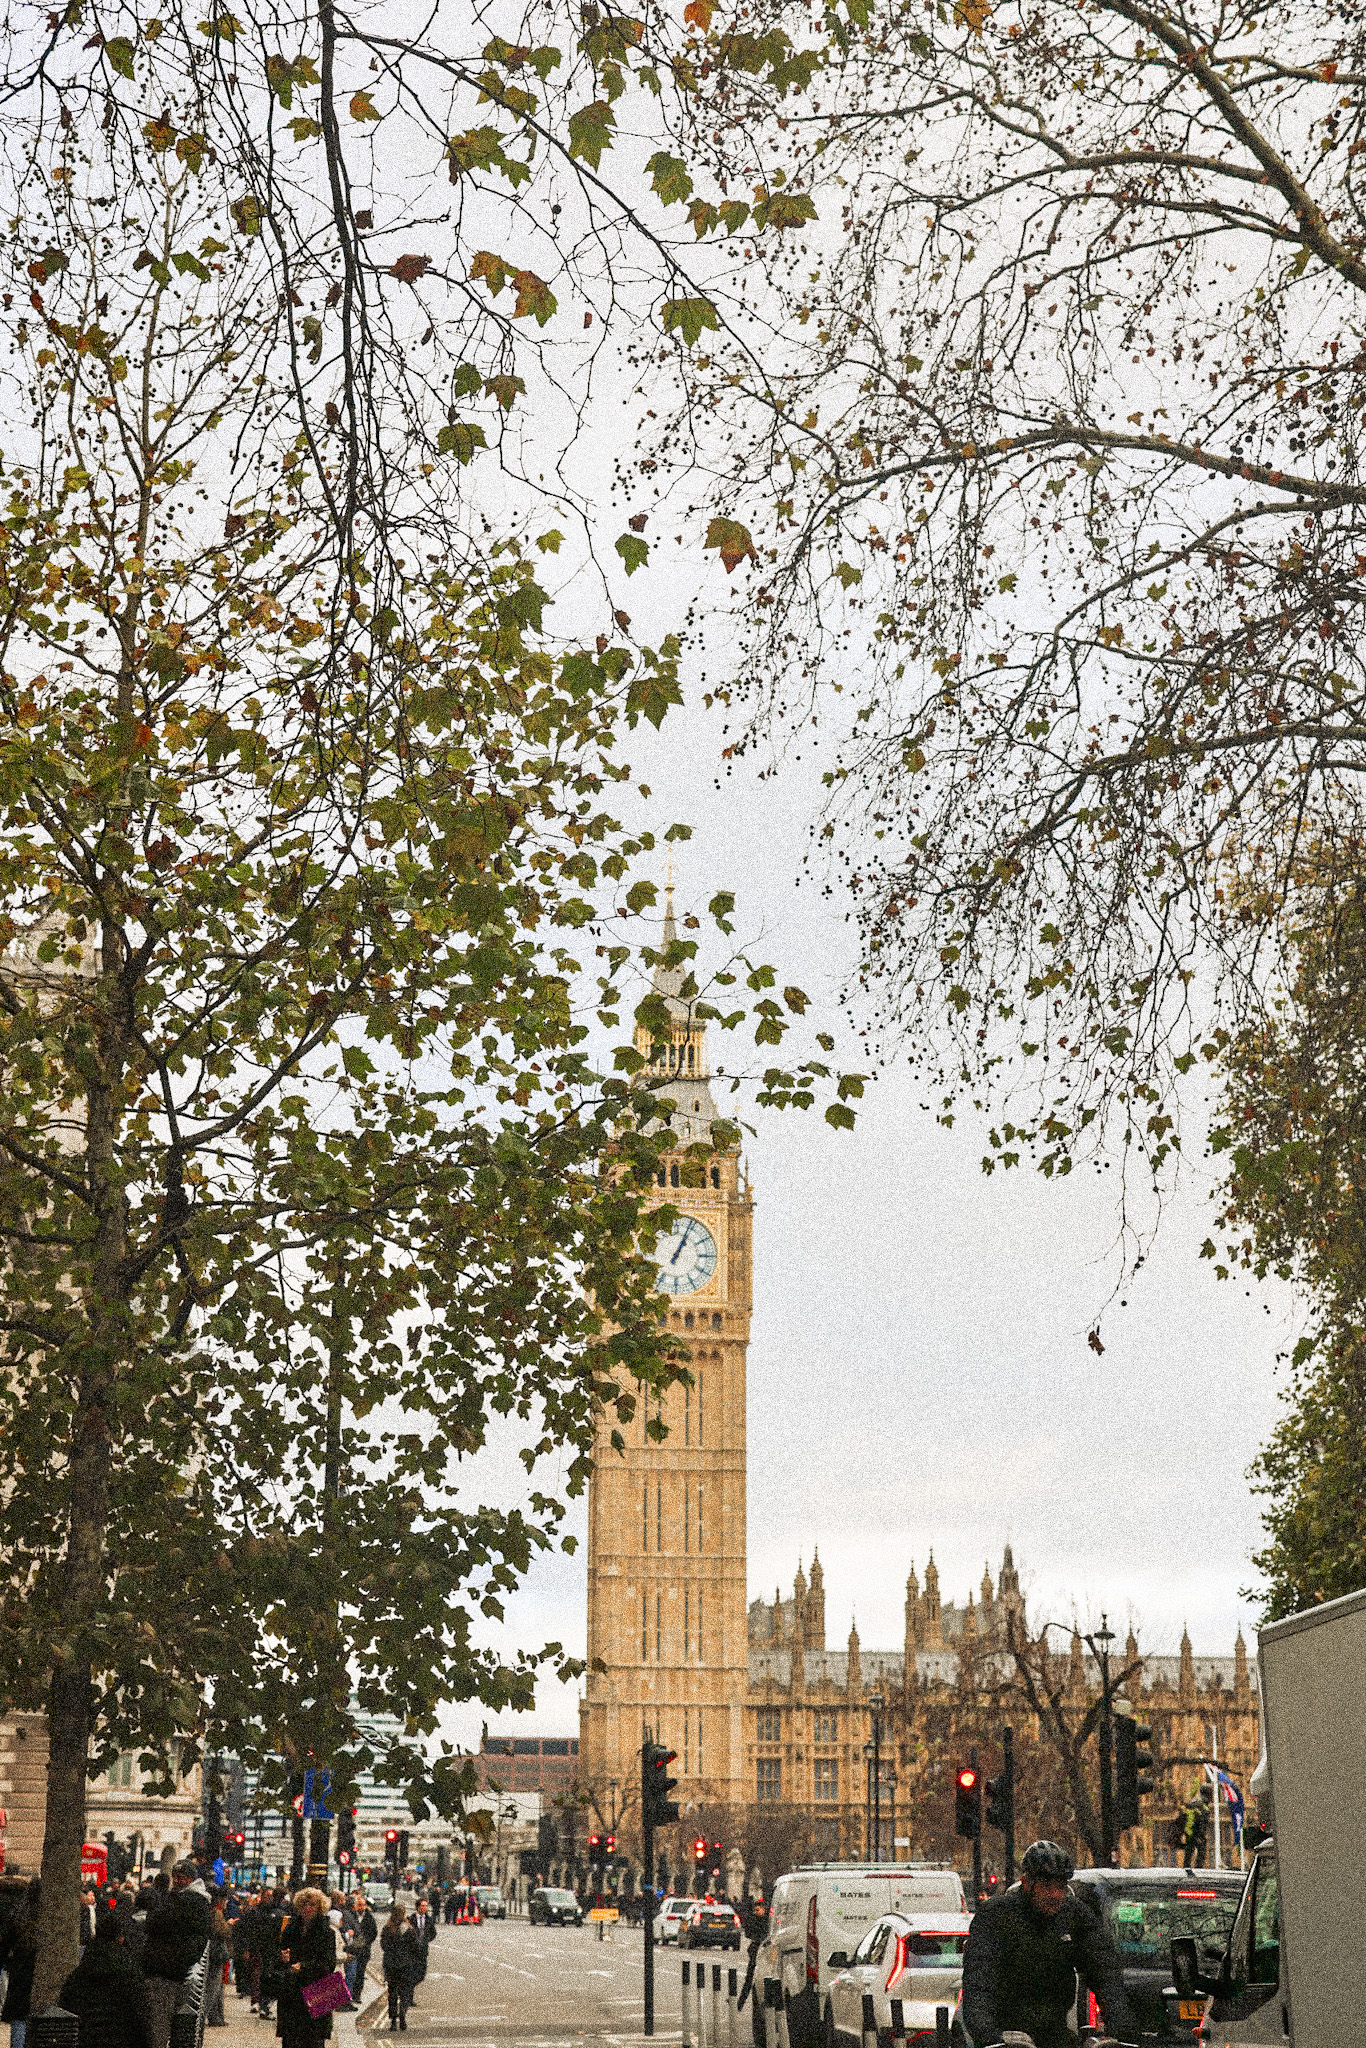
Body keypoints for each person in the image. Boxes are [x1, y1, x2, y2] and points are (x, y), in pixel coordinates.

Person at [961, 1840, 1137, 2048]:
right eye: (1046, 1886)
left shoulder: (1075, 1915)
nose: (1055, 1894)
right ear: (1026, 1883)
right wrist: (990, 2037)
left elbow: (1105, 1971)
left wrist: (1122, 2030)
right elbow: (979, 1983)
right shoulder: (996, 1916)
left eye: (1061, 1887)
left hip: (1054, 2031)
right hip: (1006, 2033)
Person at [58, 1896, 153, 2048]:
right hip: (121, 2039)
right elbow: (141, 2014)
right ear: (120, 1937)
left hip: (87, 2038)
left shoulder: (82, 1971)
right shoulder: (129, 1970)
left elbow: (67, 2005)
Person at [142, 1859, 213, 2048]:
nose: (178, 1880)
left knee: (158, 2026)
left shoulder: (184, 1901)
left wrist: (174, 1961)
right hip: (176, 1970)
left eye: (183, 1877)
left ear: (191, 1879)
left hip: (165, 1971)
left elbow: (154, 1923)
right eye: (176, 1877)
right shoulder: (198, 1901)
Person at [275, 1888, 339, 2048]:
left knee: (313, 2041)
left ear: (320, 1907)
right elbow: (278, 1955)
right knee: (290, 2041)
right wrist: (284, 1958)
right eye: (304, 1904)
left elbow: (328, 1965)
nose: (307, 1908)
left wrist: (303, 1966)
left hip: (316, 1993)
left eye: (312, 1904)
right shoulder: (290, 1929)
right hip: (292, 1994)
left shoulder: (326, 1933)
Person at [0, 1881, 39, 2048]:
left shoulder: (20, 1912)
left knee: (19, 2014)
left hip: (20, 1967)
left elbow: (6, 1940)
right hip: (33, 1967)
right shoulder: (46, 1914)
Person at [379, 1907, 420, 2033]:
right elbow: (416, 1947)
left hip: (391, 1965)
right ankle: (402, 2015)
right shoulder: (409, 1929)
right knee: (405, 1993)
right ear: (403, 1915)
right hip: (406, 1965)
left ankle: (392, 2021)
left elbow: (384, 1946)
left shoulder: (387, 1928)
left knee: (392, 1993)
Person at [345, 1895, 377, 2002]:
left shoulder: (369, 1917)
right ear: (355, 1906)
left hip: (364, 1951)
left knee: (360, 1973)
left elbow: (373, 1933)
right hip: (352, 1950)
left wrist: (365, 1942)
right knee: (351, 1974)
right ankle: (348, 1995)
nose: (361, 1907)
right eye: (359, 1905)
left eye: (363, 1905)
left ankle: (357, 1995)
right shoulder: (351, 1916)